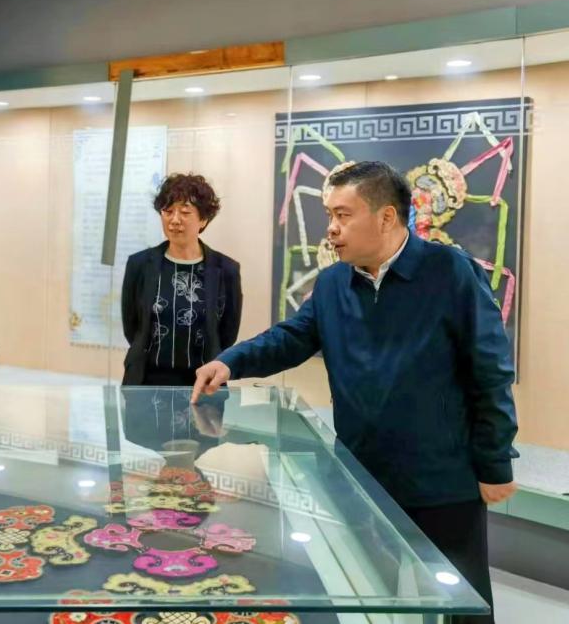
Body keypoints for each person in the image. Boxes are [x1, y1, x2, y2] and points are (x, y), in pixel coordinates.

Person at [191, 161, 517, 623]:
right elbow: (292, 337)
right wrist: (231, 361)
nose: (331, 229)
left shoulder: (451, 273)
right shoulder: (333, 283)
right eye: (329, 215)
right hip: (360, 475)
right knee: (369, 595)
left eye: (343, 215)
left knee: (459, 602)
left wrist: (494, 462)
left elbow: (491, 371)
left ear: (386, 217)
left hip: (441, 481)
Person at [121, 173, 242, 386]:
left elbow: (227, 333)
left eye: (185, 212)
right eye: (168, 211)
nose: (175, 220)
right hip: (146, 382)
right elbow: (132, 328)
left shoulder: (226, 270)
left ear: (203, 219)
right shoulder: (139, 265)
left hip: (204, 382)